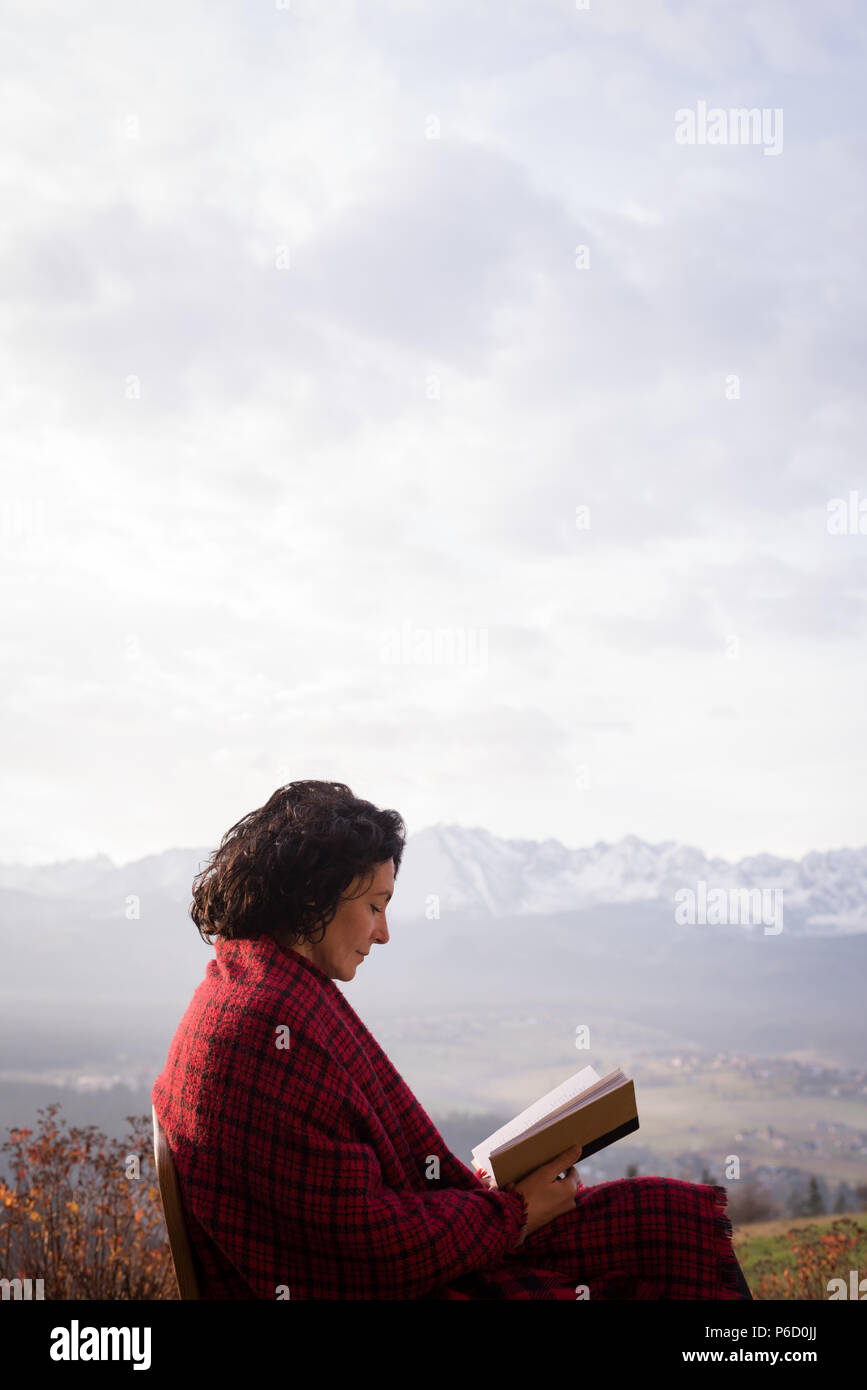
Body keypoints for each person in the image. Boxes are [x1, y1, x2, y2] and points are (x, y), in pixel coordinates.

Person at [152, 780, 752, 1300]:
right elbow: (371, 1254)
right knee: (669, 1234)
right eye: (376, 905)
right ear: (315, 896)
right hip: (401, 1284)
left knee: (656, 1214)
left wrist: (495, 1200)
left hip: (406, 1257)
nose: (384, 933)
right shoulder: (265, 1026)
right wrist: (513, 1213)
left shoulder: (255, 988)